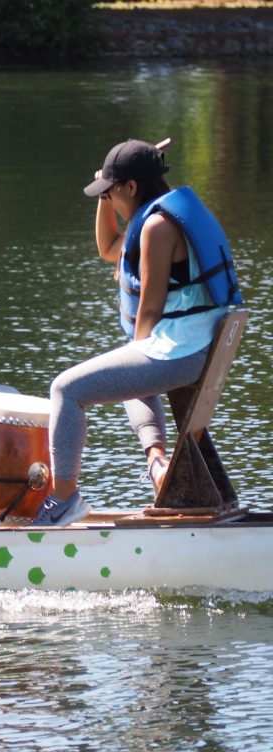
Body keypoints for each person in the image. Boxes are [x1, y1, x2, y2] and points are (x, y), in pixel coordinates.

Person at [37, 138, 241, 526]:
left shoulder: (158, 228)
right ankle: (157, 463)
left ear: (132, 187)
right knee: (129, 363)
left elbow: (149, 307)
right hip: (194, 344)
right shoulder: (160, 216)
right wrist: (103, 193)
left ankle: (63, 501)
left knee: (66, 389)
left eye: (111, 192)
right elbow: (109, 248)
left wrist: (136, 349)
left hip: (184, 352)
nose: (109, 200)